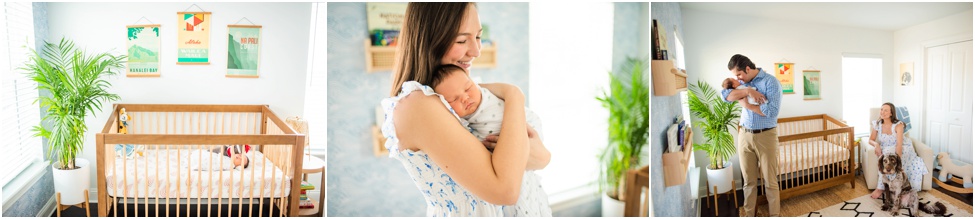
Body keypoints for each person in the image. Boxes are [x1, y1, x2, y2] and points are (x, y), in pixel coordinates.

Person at [381, 2, 551, 216]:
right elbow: (505, 190)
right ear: (430, 39)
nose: (476, 51)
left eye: (478, 37)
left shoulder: (456, 95)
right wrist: (514, 94)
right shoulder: (418, 104)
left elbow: (540, 158)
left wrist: (539, 156)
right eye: (462, 40)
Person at [430, 64, 551, 216]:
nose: (465, 97)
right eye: (453, 99)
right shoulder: (449, 121)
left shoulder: (490, 97)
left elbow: (531, 121)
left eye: (468, 89)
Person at [720, 54, 782, 217]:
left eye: (739, 74)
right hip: (744, 135)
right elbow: (726, 96)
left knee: (770, 181)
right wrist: (748, 91)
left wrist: (747, 104)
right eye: (735, 76)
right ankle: (749, 215)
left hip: (766, 136)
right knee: (748, 182)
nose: (737, 78)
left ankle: (774, 215)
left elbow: (771, 112)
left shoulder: (770, 82)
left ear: (748, 68)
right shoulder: (742, 84)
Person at [869, 102, 927, 199]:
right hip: (886, 148)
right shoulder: (877, 124)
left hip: (903, 146)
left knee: (887, 157)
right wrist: (876, 144)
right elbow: (871, 139)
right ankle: (882, 186)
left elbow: (899, 144)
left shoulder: (898, 125)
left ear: (891, 113)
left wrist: (898, 160)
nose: (882, 112)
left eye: (886, 110)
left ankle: (882, 187)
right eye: (881, 109)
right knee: (882, 158)